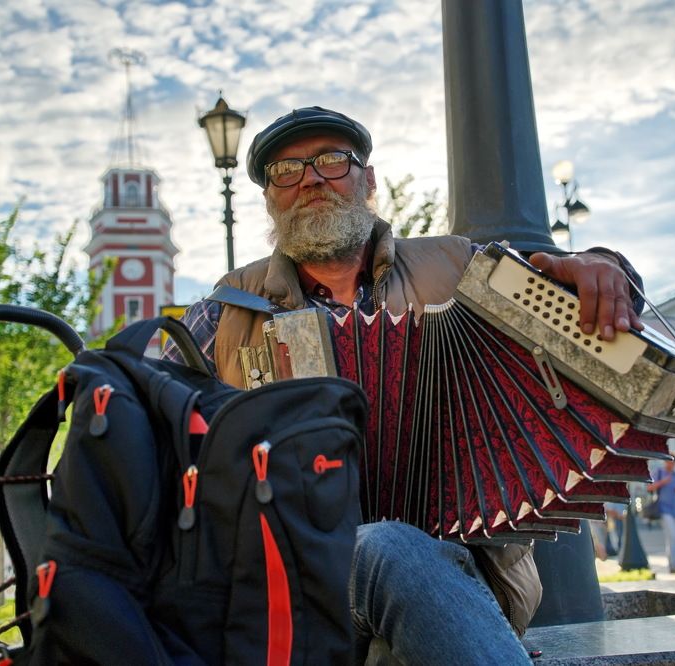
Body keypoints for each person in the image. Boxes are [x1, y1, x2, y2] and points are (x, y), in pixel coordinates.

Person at [164, 106, 646, 664]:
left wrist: (602, 265)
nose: (311, 178)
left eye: (330, 161)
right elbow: (150, 419)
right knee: (385, 546)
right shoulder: (225, 311)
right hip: (290, 591)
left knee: (400, 553)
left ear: (368, 180)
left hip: (463, 582)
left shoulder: (458, 268)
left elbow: (584, 312)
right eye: (286, 171)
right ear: (270, 200)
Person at [646, 458, 675, 574]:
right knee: (673, 536)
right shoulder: (658, 473)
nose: (671, 464)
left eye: (673, 462)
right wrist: (662, 482)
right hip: (664, 510)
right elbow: (649, 487)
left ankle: (673, 563)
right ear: (665, 462)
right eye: (669, 461)